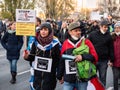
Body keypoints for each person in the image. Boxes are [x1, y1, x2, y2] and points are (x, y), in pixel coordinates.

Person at [57, 22, 98, 90]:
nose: (78, 32)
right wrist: (59, 76)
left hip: (82, 79)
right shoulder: (66, 43)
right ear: (70, 32)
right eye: (76, 31)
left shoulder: (86, 42)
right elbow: (62, 60)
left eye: (79, 30)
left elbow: (94, 57)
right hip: (68, 79)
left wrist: (83, 57)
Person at [24, 22, 61, 90]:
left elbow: (58, 60)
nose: (43, 32)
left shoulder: (55, 44)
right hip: (38, 76)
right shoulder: (35, 42)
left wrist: (59, 74)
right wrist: (26, 57)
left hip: (49, 76)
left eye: (45, 30)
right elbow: (32, 57)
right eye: (41, 29)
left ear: (49, 31)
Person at [88, 20, 114, 87]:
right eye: (105, 27)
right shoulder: (92, 34)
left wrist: (111, 60)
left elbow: (111, 48)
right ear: (100, 27)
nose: (106, 28)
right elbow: (87, 45)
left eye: (107, 27)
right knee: (92, 77)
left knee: (103, 77)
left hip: (103, 61)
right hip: (93, 60)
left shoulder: (109, 36)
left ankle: (102, 88)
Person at [110, 22, 120, 90]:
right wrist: (110, 60)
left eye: (118, 28)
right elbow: (109, 50)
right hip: (115, 61)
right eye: (116, 28)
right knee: (115, 78)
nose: (117, 29)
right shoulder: (112, 37)